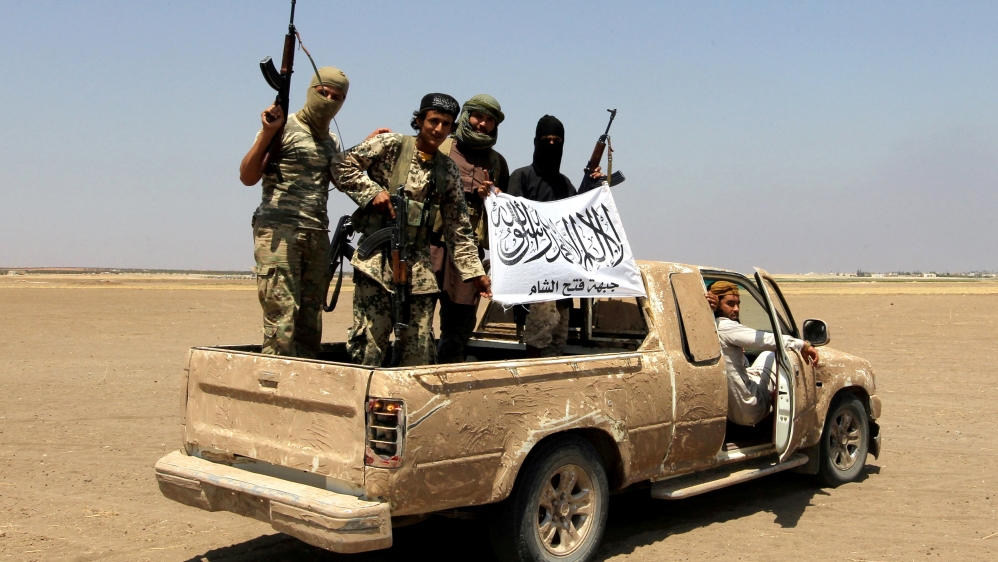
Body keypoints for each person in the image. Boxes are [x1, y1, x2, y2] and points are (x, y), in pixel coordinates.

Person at [332, 93, 492, 367]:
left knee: (418, 350)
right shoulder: (391, 145)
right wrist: (371, 192)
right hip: (376, 264)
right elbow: (340, 164)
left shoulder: (448, 171)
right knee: (370, 345)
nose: (438, 129)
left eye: (446, 124)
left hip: (418, 269)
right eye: (433, 121)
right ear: (419, 120)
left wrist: (476, 273)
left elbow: (459, 229)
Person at [239, 66, 351, 358]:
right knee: (282, 320)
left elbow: (340, 180)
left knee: (309, 322)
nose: (328, 100)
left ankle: (304, 378)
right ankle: (274, 378)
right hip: (280, 233)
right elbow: (248, 176)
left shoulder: (331, 141)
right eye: (323, 93)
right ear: (311, 91)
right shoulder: (284, 128)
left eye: (336, 97)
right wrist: (268, 133)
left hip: (317, 234)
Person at [506, 115, 604, 357]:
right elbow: (512, 222)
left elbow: (576, 218)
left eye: (557, 140)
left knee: (558, 337)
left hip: (561, 274)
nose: (551, 144)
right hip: (534, 272)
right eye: (546, 139)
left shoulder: (564, 183)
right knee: (539, 333)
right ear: (536, 141)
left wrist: (591, 187)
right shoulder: (521, 177)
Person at [430, 95, 510, 363]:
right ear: (466, 117)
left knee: (459, 326)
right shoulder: (441, 147)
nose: (482, 124)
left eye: (489, 120)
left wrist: (495, 194)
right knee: (416, 318)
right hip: (430, 244)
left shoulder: (497, 162)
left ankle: (449, 372)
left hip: (469, 252)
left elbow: (505, 210)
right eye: (478, 116)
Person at [707, 281, 820, 426]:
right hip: (749, 407)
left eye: (738, 304)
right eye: (730, 304)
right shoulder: (724, 326)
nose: (736, 309)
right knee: (770, 355)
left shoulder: (706, 328)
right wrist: (803, 345)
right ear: (716, 304)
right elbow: (766, 340)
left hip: (726, 410)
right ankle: (775, 399)